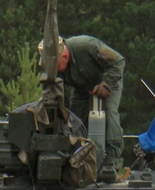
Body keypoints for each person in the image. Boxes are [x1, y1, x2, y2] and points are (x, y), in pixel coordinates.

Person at [42, 35, 124, 170]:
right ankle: (79, 155)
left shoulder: (86, 46)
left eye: (55, 66)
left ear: (63, 57)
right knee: (74, 119)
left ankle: (111, 158)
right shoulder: (56, 68)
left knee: (109, 112)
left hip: (108, 81)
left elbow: (118, 62)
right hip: (82, 88)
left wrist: (107, 83)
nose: (54, 70)